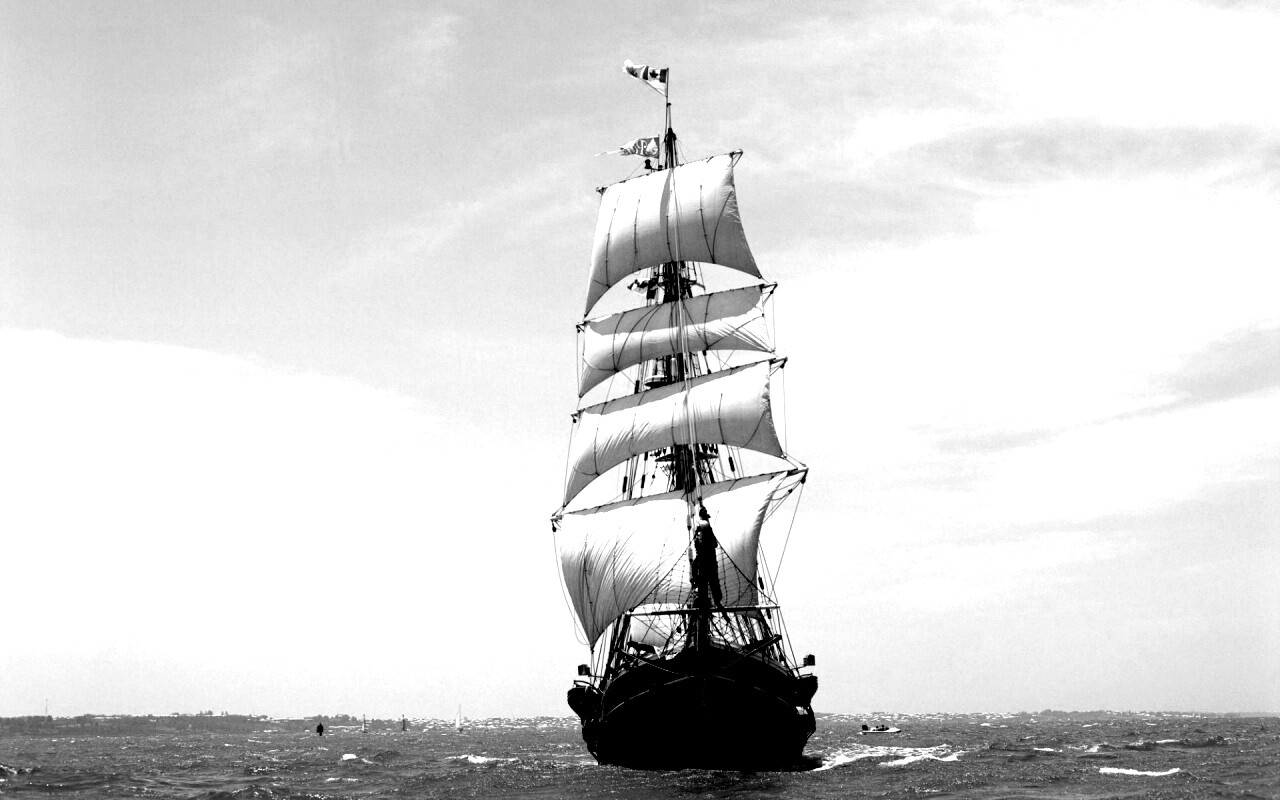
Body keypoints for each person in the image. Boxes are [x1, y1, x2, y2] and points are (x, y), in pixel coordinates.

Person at [693, 505, 723, 607]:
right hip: (709, 563)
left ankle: (708, 601)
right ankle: (717, 601)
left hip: (703, 564)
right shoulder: (705, 527)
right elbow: (715, 544)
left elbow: (699, 544)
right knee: (713, 583)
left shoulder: (701, 529)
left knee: (704, 585)